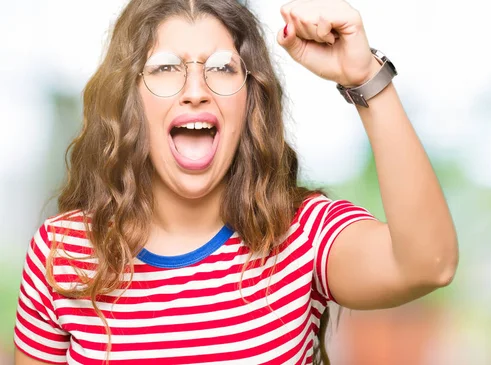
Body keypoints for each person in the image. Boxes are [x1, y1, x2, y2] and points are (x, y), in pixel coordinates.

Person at [13, 0, 458, 364]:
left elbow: (429, 264)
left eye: (222, 68)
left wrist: (365, 78)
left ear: (250, 100)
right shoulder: (62, 253)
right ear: (130, 100)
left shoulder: (303, 234)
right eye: (166, 68)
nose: (195, 89)